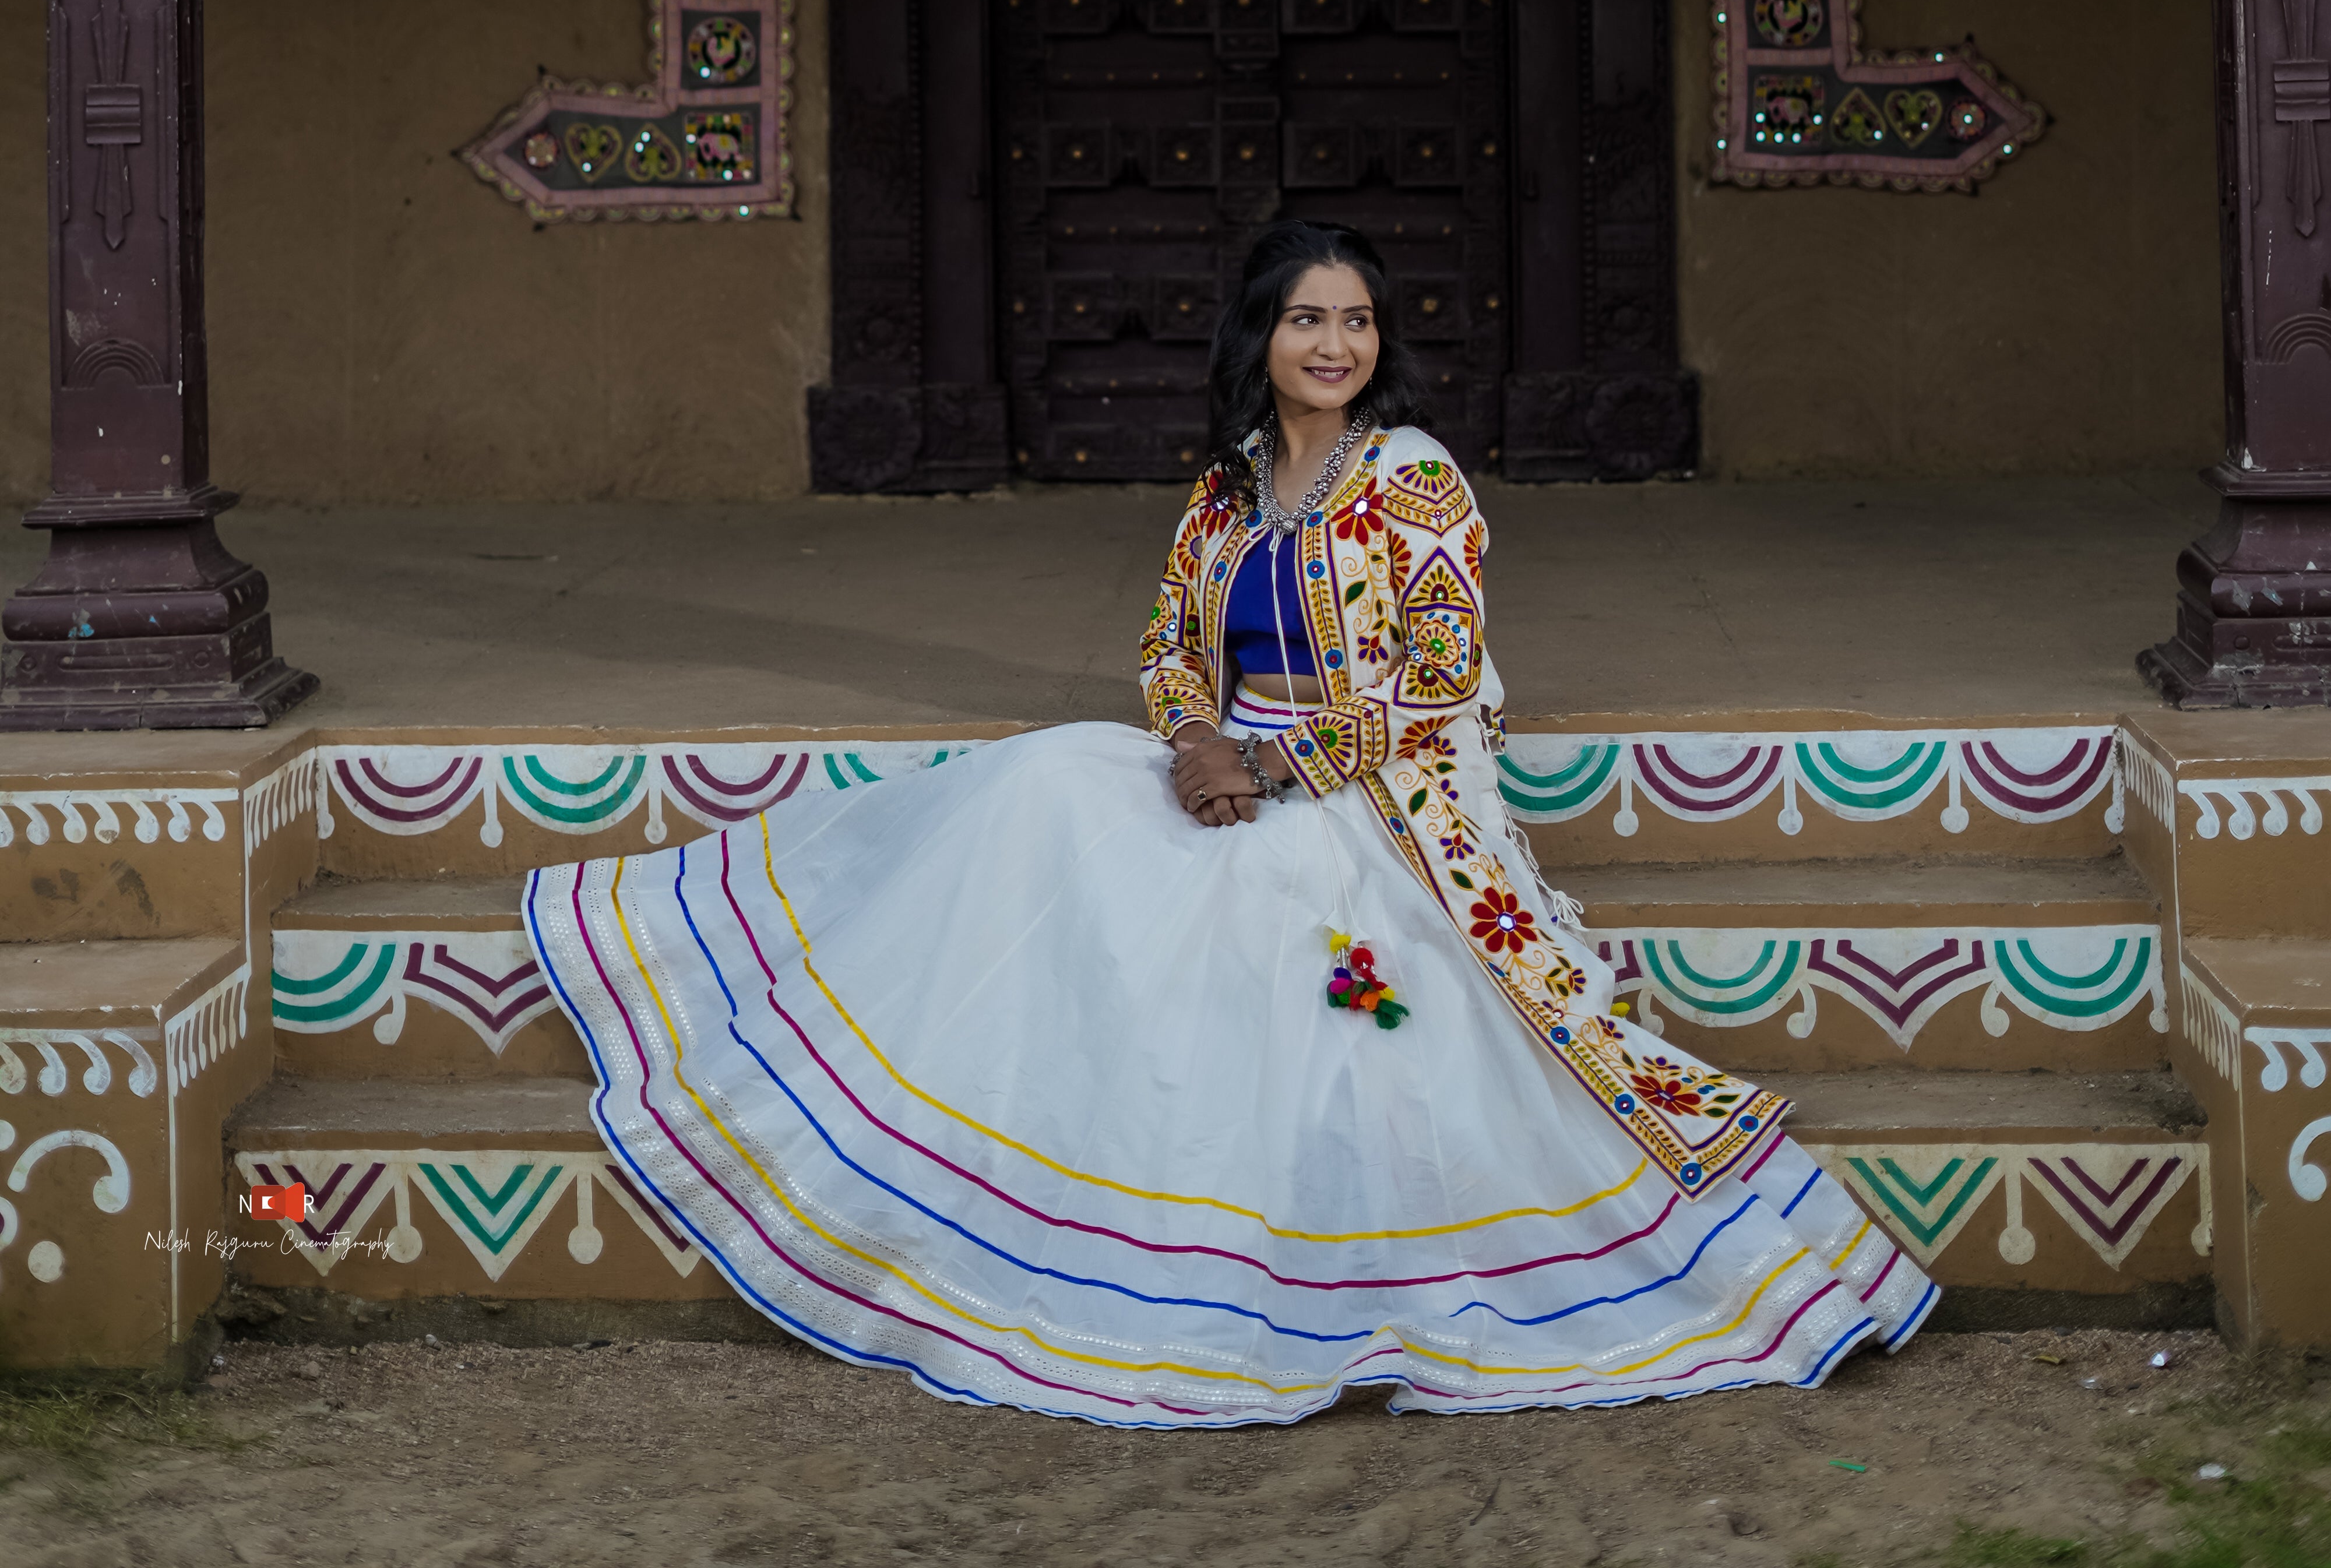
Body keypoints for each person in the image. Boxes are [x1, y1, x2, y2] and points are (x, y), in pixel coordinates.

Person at [526, 217, 1933, 1425]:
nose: (1335, 344)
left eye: (1358, 321)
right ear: (1259, 334)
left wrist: (1266, 773)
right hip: (1226, 761)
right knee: (1042, 787)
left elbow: (1433, 687)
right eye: (1307, 319)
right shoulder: (1227, 485)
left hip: (1375, 795)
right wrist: (1197, 739)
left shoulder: (1414, 481)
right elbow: (1164, 646)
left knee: (1307, 964)